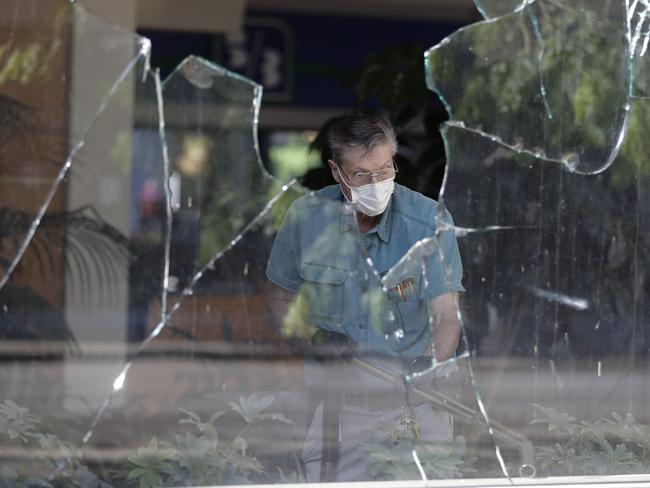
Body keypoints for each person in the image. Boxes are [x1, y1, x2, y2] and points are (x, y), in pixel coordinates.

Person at [266, 111, 464, 481]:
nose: (377, 183)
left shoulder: (428, 221)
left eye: (385, 170)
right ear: (336, 171)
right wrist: (313, 337)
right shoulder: (306, 218)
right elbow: (279, 301)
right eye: (362, 174)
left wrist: (427, 363)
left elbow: (447, 316)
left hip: (415, 410)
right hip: (335, 413)